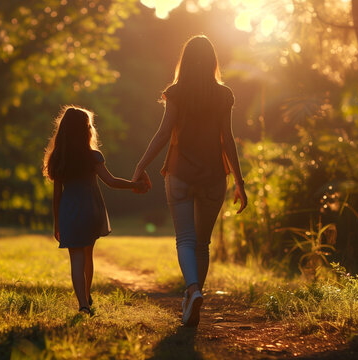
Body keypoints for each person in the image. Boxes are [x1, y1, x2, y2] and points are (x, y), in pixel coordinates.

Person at [132, 35, 248, 326]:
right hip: (213, 177)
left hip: (180, 174)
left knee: (184, 238)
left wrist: (140, 166)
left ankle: (193, 291)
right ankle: (194, 294)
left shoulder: (176, 92)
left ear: (184, 61)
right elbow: (227, 140)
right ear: (212, 61)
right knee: (202, 244)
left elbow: (162, 134)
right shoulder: (224, 95)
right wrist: (240, 182)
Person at [44, 106, 150, 315]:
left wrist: (57, 222)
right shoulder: (93, 156)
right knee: (88, 254)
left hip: (69, 212)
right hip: (91, 210)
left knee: (76, 258)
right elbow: (111, 182)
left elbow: (57, 196)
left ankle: (83, 304)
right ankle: (87, 294)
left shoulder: (58, 158)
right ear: (87, 130)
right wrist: (134, 184)